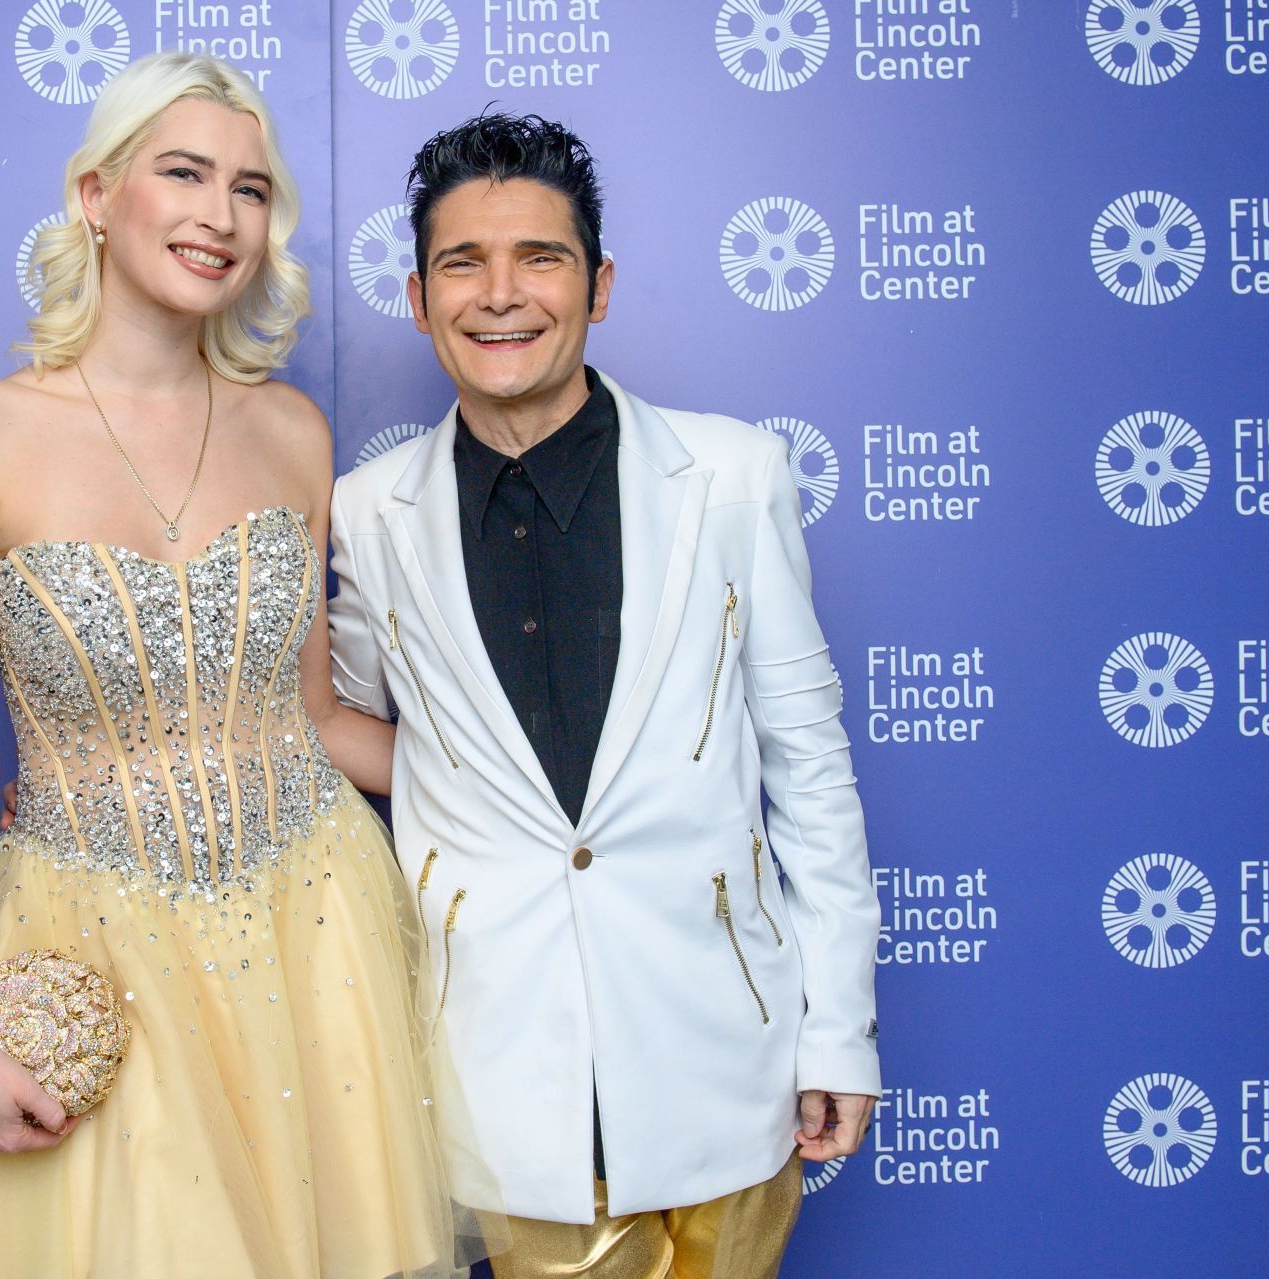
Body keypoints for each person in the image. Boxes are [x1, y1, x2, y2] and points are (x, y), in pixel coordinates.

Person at [0, 52, 491, 1279]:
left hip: (316, 927)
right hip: (93, 949)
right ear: (95, 196)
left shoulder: (291, 429)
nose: (221, 215)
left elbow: (319, 716)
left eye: (253, 188)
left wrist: (533, 781)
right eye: (183, 173)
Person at [324, 114, 881, 1278]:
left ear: (601, 284)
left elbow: (808, 766)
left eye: (541, 257)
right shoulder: (367, 512)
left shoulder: (733, 474)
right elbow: (350, 731)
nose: (501, 295)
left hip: (725, 1052)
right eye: (462, 263)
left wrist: (841, 1029)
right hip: (497, 1067)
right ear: (420, 300)